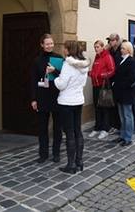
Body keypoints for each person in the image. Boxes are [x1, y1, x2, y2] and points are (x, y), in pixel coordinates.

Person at [55, 41, 90, 174]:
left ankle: (70, 165)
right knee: (77, 131)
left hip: (67, 102)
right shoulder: (83, 64)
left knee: (69, 132)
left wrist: (57, 79)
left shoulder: (68, 64)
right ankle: (79, 161)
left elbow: (62, 84)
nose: (63, 50)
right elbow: (83, 82)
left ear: (69, 49)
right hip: (78, 100)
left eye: (65, 48)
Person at [30, 34, 64, 163]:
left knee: (57, 127)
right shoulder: (37, 60)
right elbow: (33, 80)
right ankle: (43, 154)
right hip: (42, 97)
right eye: (47, 43)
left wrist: (54, 71)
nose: (50, 45)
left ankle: (56, 153)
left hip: (57, 97)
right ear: (42, 45)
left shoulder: (59, 58)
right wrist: (33, 99)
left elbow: (64, 76)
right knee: (42, 128)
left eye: (51, 43)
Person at [89, 40, 116, 140]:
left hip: (103, 86)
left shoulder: (107, 56)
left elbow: (112, 70)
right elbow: (95, 70)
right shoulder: (97, 57)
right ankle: (97, 127)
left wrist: (102, 75)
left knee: (104, 107)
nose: (96, 49)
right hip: (95, 85)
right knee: (97, 107)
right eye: (95, 47)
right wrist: (90, 73)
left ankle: (105, 129)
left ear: (102, 47)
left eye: (98, 47)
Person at [112, 42, 135, 146]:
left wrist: (121, 84)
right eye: (121, 48)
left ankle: (128, 137)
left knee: (127, 115)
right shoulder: (120, 60)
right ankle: (122, 135)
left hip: (126, 92)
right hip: (119, 91)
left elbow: (131, 78)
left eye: (123, 48)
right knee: (121, 115)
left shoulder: (131, 61)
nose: (121, 50)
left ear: (128, 50)